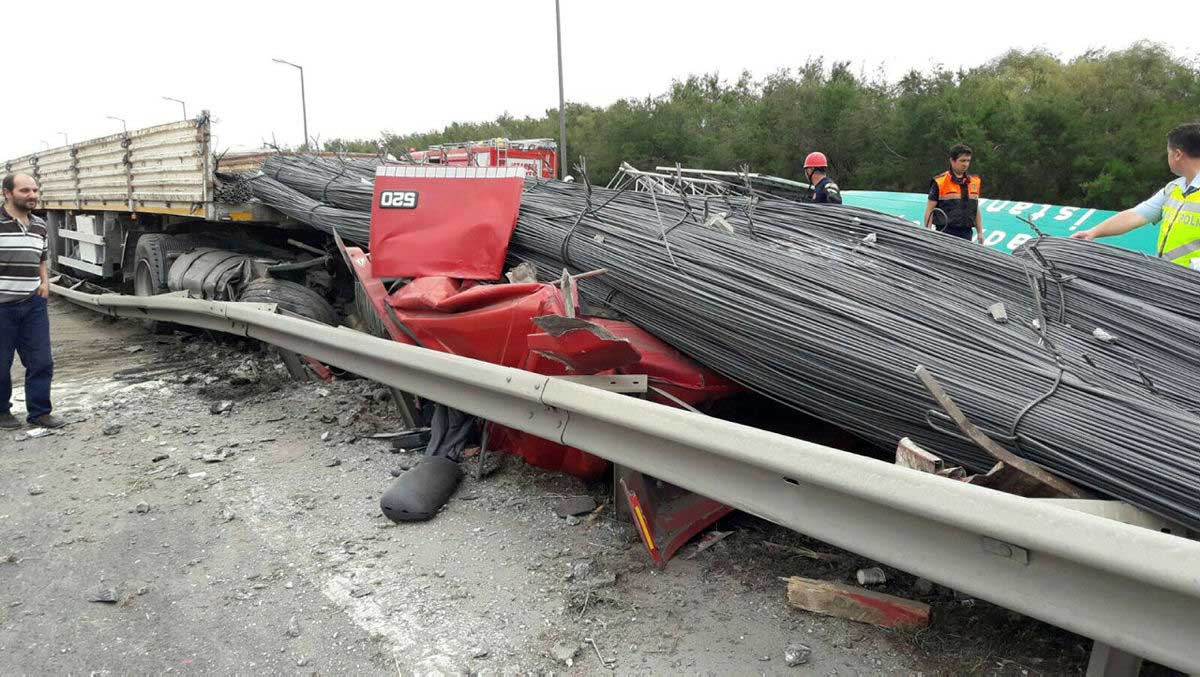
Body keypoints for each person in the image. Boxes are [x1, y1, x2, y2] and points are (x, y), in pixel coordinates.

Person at [1072, 122, 1200, 268]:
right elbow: (1136, 215)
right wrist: (1092, 233)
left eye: (1168, 152)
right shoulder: (1173, 189)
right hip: (1170, 278)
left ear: (1177, 154)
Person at [0, 173, 62, 429]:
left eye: (35, 190)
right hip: (2, 306)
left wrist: (45, 283)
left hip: (33, 303)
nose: (32, 195)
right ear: (7, 193)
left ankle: (39, 413)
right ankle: (2, 412)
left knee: (42, 361)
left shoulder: (39, 224)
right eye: (25, 190)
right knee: (1, 364)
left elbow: (41, 258)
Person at [925, 144, 984, 243]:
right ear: (952, 161)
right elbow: (930, 210)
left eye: (968, 160)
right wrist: (928, 232)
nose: (965, 164)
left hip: (966, 233)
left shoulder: (974, 181)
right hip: (945, 232)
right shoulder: (940, 182)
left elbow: (975, 208)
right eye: (962, 160)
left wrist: (980, 232)